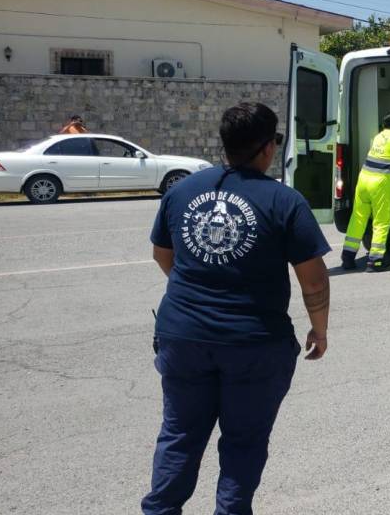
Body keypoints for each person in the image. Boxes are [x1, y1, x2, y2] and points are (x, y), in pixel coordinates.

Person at [142, 102, 331, 514]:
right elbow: (313, 278)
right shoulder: (283, 200)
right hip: (254, 342)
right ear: (267, 148)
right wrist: (320, 328)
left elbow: (162, 254)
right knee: (244, 440)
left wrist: (195, 290)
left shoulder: (182, 191)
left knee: (179, 434)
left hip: (183, 335)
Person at [341, 113, 390, 271]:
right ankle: (375, 261)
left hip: (364, 179)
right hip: (381, 182)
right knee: (381, 221)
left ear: (383, 126)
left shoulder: (377, 138)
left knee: (358, 218)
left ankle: (347, 257)